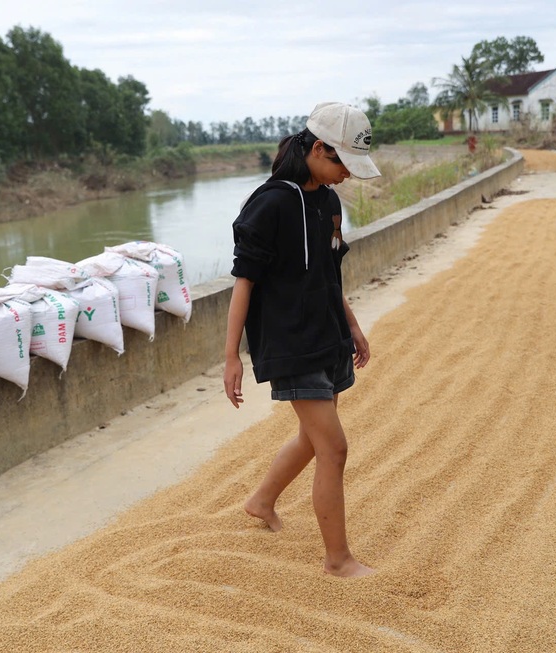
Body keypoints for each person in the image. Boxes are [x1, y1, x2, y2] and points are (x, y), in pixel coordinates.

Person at [223, 101, 381, 578]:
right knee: (334, 447)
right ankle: (338, 560)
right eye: (342, 162)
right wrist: (231, 356)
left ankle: (261, 501)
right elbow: (244, 281)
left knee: (313, 439)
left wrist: (352, 326)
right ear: (317, 149)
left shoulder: (329, 203)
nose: (346, 174)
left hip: (327, 334)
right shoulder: (270, 203)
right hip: (291, 343)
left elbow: (330, 273)